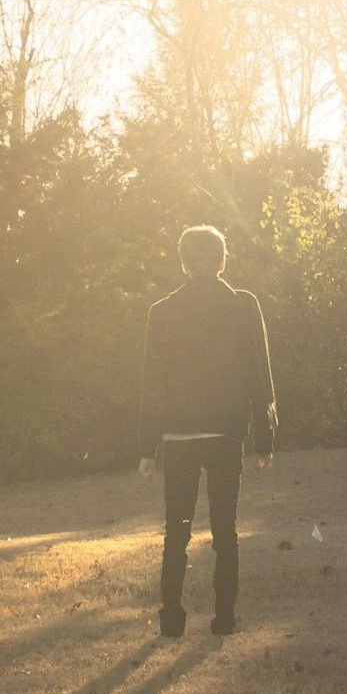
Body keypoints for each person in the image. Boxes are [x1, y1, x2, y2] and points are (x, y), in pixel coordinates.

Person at [137, 225, 277, 637]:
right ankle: (225, 618)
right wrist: (264, 439)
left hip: (178, 439)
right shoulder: (243, 305)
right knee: (224, 531)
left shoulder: (161, 311)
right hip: (224, 436)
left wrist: (148, 447)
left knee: (176, 530)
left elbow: (153, 385)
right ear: (222, 259)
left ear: (183, 262)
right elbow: (259, 374)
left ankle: (171, 619)